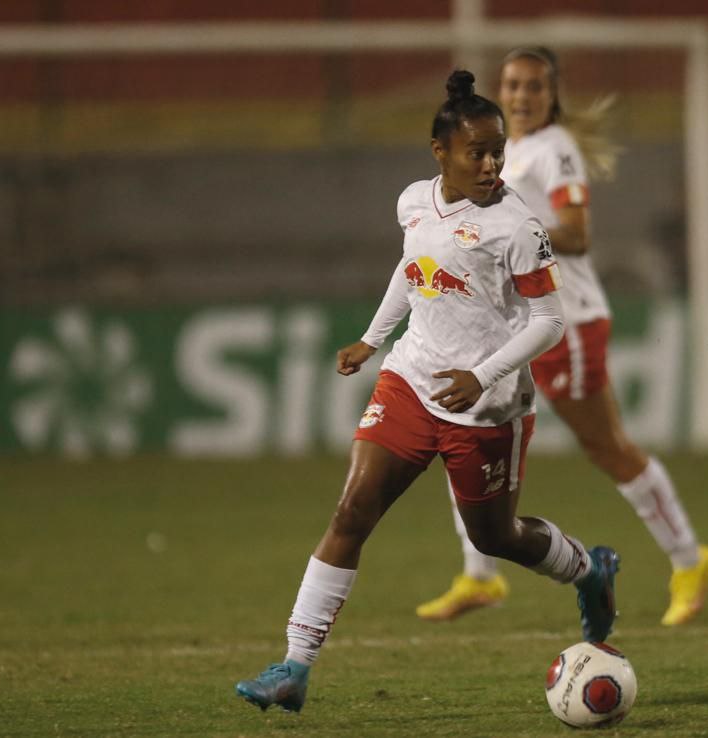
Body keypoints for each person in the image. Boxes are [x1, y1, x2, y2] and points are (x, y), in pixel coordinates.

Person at [235, 69, 619, 714]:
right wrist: (373, 338)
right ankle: (294, 668)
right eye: (478, 152)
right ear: (440, 152)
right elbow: (414, 267)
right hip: (411, 381)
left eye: (498, 150)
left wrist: (483, 376)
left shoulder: (518, 228)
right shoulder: (414, 199)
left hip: (487, 408)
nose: (492, 163)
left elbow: (549, 320)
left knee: (495, 538)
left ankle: (589, 569)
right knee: (351, 513)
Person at [416, 47, 708, 628]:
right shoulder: (508, 153)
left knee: (606, 445)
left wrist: (508, 232)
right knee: (460, 431)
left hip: (567, 321)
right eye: (513, 84)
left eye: (534, 86)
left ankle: (689, 560)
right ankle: (478, 576)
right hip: (513, 322)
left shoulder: (554, 150)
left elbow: (577, 236)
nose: (522, 95)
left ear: (552, 95)